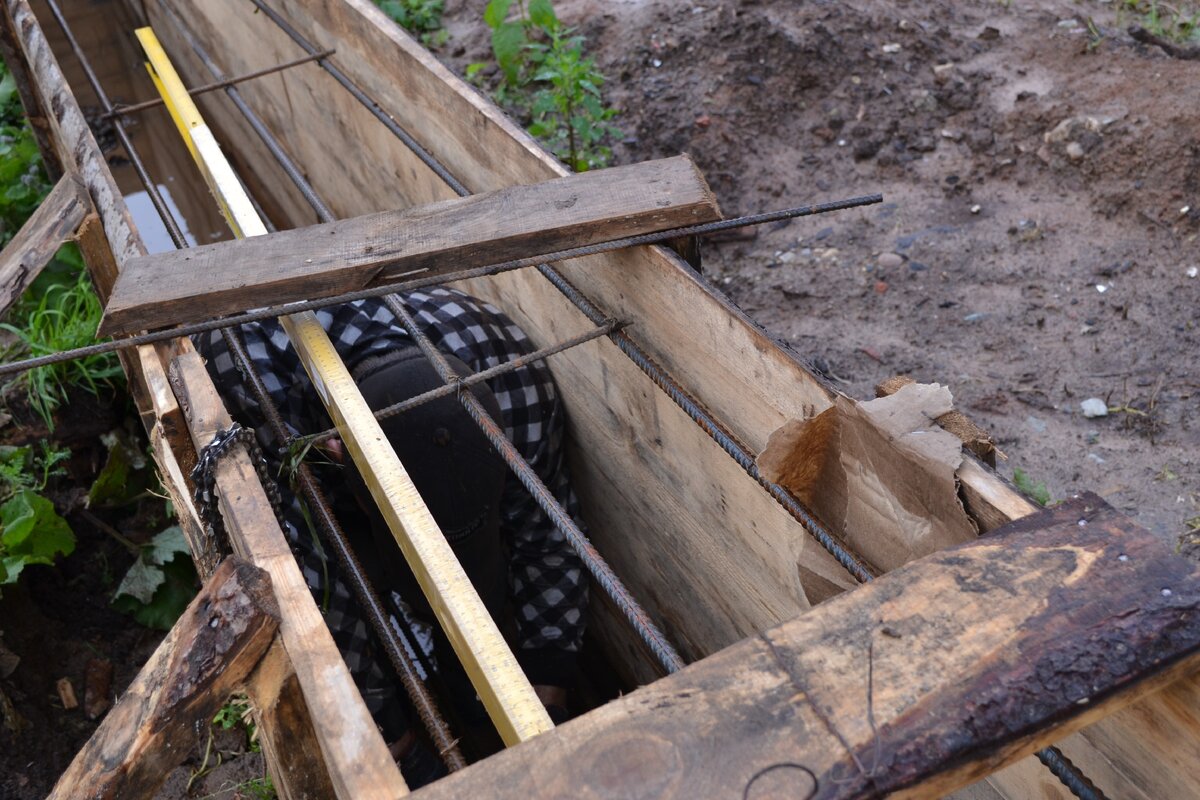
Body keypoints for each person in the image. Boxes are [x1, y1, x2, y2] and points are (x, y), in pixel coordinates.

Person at [194, 286, 588, 784]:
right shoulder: (258, 388)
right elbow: (318, 581)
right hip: (322, 460)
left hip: (427, 459)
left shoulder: (512, 377)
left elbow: (546, 533)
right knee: (353, 569)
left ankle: (462, 644)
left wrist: (549, 681)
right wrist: (395, 742)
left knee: (481, 607)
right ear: (337, 453)